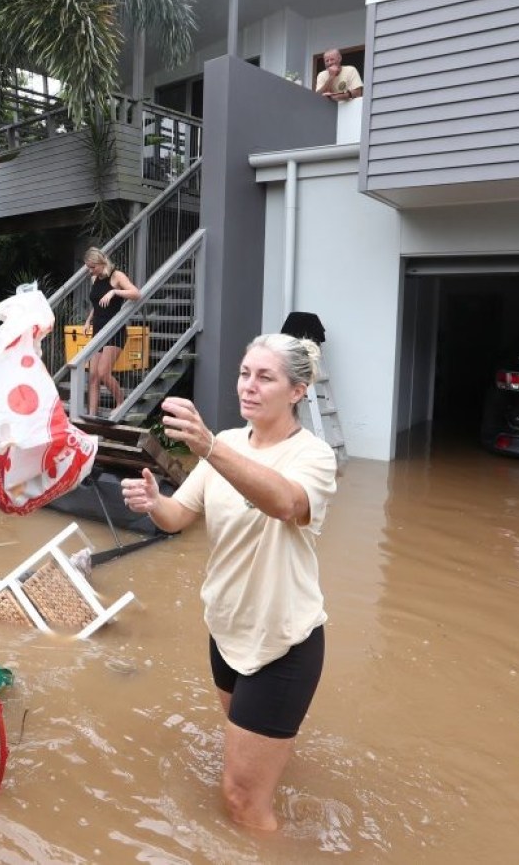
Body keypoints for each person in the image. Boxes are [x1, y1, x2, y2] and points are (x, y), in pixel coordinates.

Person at [120, 333, 337, 831]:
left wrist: (210, 446)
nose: (249, 386)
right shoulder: (228, 445)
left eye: (266, 377)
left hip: (282, 642)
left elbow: (285, 503)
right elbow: (179, 516)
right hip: (226, 630)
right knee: (246, 757)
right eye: (245, 373)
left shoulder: (314, 456)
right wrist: (154, 502)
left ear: (298, 391)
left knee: (240, 801)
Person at [81, 246, 140, 416]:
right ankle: (92, 415)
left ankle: (122, 401)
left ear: (101, 263)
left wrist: (114, 291)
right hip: (98, 329)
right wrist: (88, 321)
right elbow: (97, 304)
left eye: (92, 267)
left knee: (103, 373)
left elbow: (136, 293)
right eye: (88, 267)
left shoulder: (116, 276)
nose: (90, 271)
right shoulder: (95, 278)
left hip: (114, 329)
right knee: (92, 376)